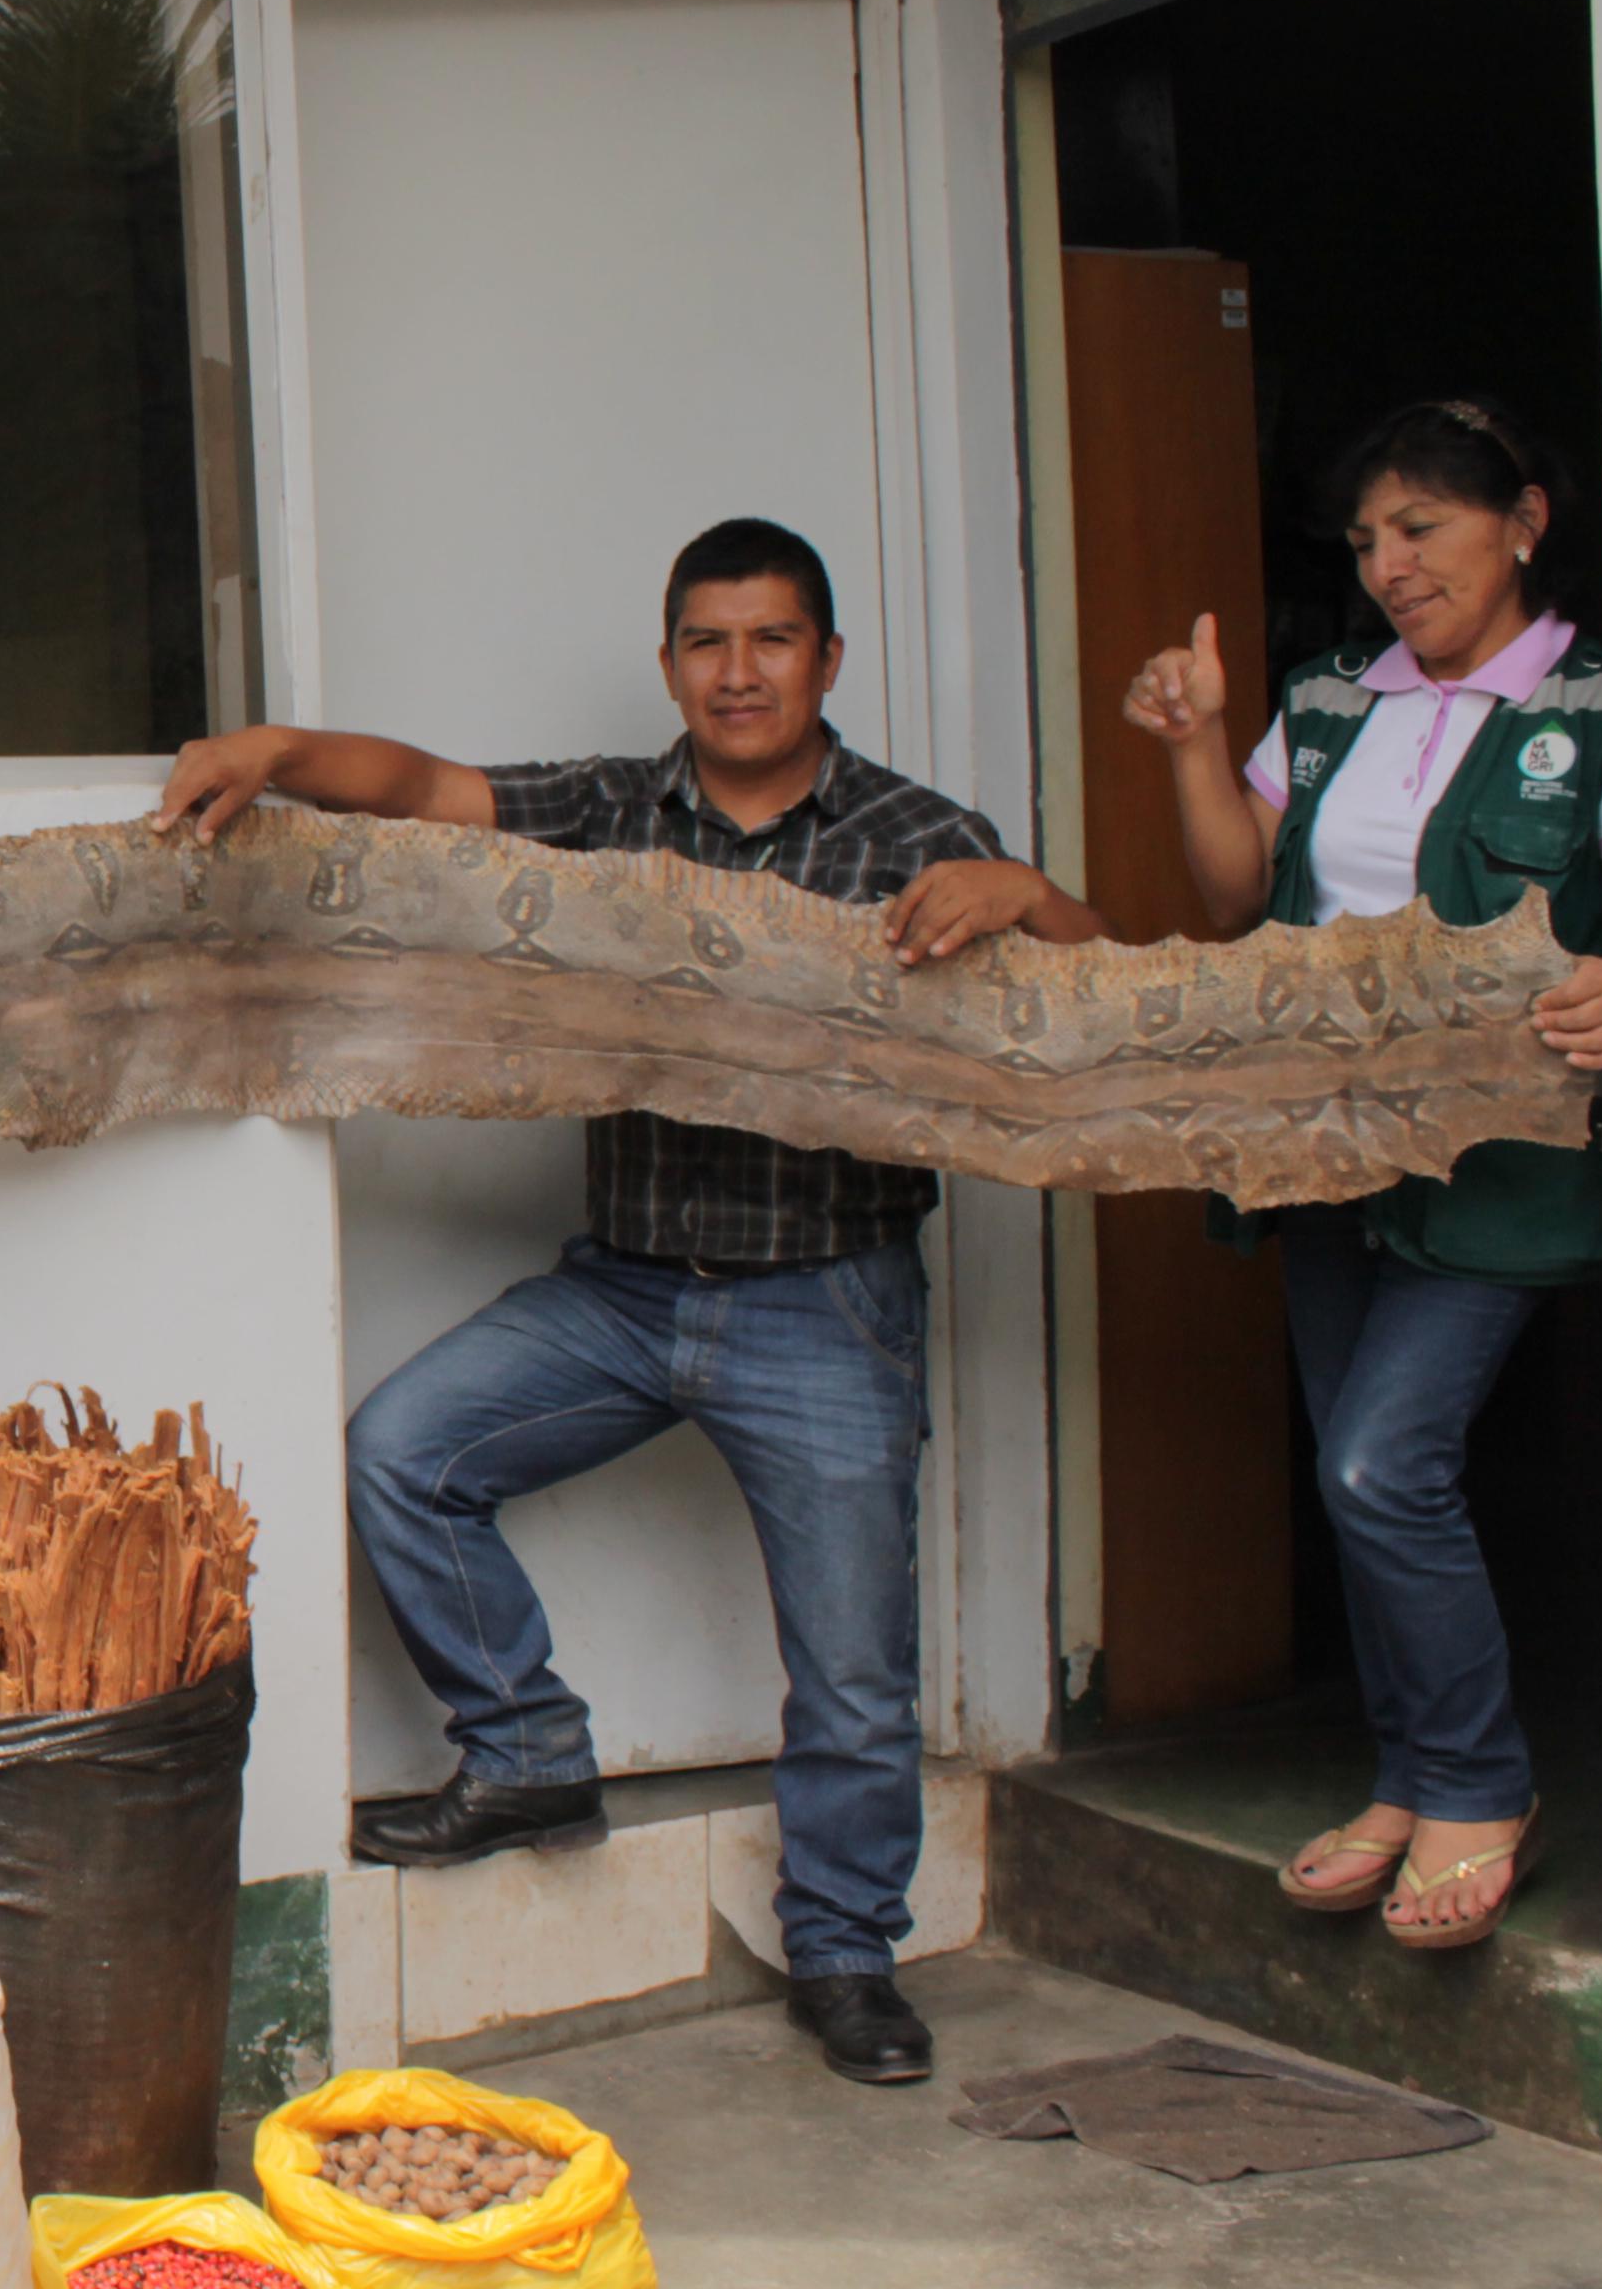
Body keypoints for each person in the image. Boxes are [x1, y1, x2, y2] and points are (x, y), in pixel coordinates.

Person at [156, 518, 1106, 2087]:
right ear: (670, 663)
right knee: (403, 1452)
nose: (738, 672)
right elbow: (425, 789)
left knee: (854, 1669)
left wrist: (1030, 896)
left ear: (827, 660)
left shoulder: (918, 838)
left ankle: (847, 1952)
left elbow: (1106, 993)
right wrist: (277, 751)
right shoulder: (612, 810)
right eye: (707, 642)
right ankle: (528, 1754)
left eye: (771, 640)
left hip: (824, 1302)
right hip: (628, 1289)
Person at [1121, 396, 1602, 1955]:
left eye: (1420, 529)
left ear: (1524, 522)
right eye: (1363, 543)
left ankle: (1478, 1780)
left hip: (1498, 1158)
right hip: (1324, 1144)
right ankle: (1410, 1778)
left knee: (1377, 1469)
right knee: (1364, 1478)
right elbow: (1236, 892)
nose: (1389, 568)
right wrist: (1196, 745)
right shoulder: (1334, 698)